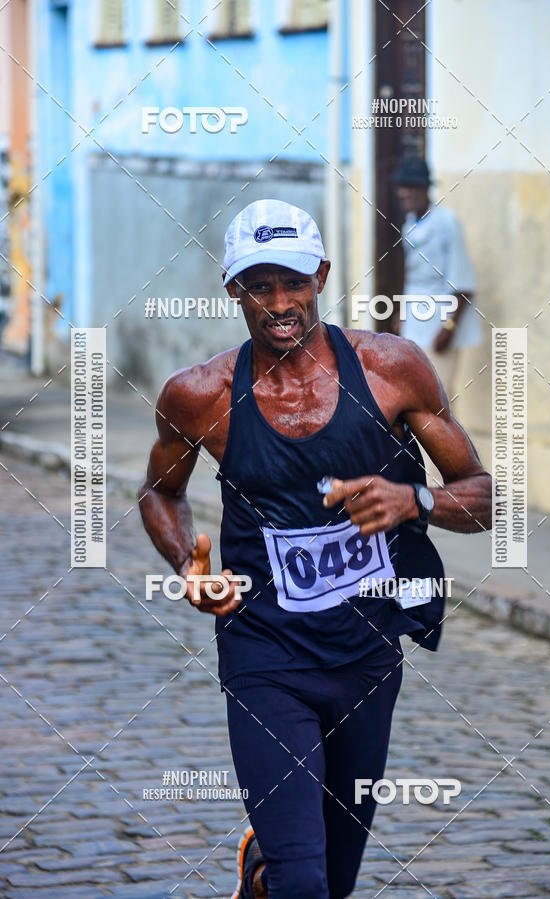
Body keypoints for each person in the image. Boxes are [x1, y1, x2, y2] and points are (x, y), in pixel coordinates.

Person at [138, 198, 492, 898]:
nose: (279, 302)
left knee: (333, 875)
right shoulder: (199, 394)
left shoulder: (392, 368)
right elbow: (158, 492)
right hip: (264, 652)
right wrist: (188, 564)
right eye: (259, 283)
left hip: (366, 655)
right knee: (306, 881)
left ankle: (260, 871)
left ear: (322, 275)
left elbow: (480, 494)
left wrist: (413, 499)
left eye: (293, 280)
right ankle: (278, 867)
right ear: (232, 288)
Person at [393, 156, 483, 400]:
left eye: (410, 187)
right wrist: (401, 312)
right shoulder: (409, 226)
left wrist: (449, 328)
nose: (403, 193)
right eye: (401, 187)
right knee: (412, 393)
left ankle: (449, 440)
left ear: (424, 188)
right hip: (415, 319)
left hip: (441, 322)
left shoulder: (447, 223)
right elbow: (410, 276)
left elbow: (464, 284)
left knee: (440, 396)